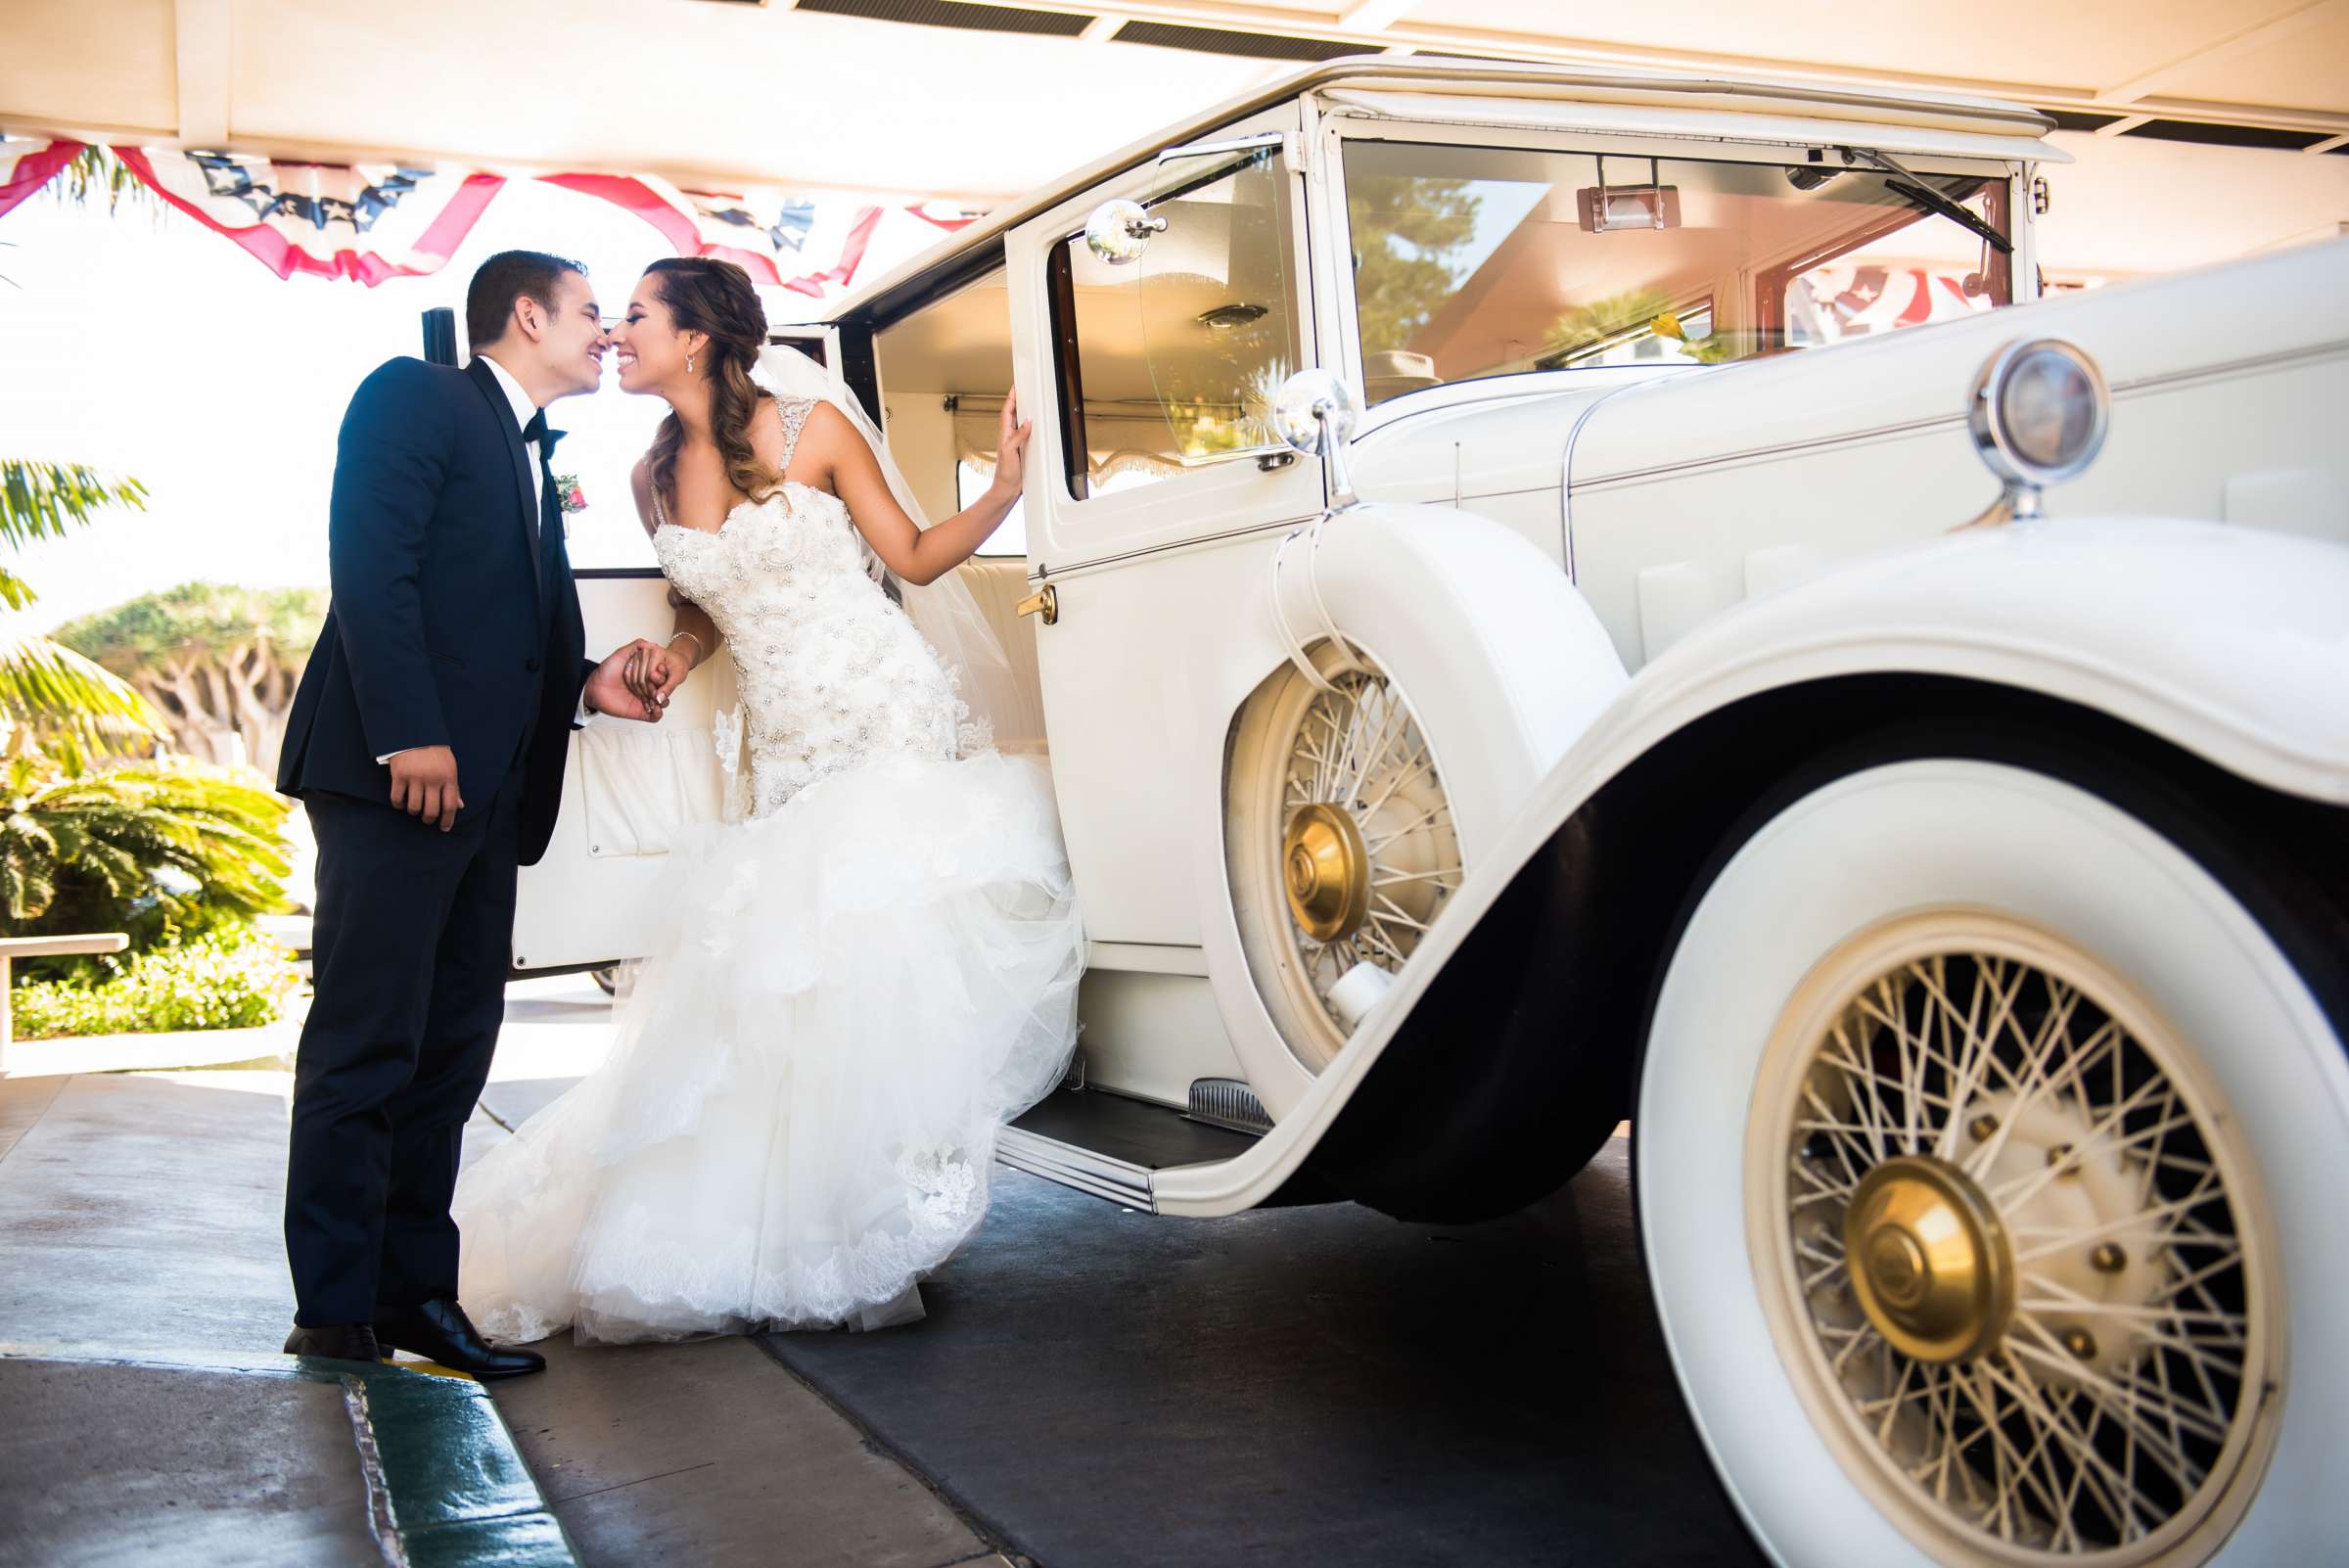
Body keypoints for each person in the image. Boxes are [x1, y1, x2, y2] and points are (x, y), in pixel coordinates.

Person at [450, 257, 1083, 1343]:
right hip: (787, 741)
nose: (616, 334)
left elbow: (917, 561)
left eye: (636, 316)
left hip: (882, 714)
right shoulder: (654, 474)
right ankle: (807, 1214)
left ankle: (880, 1204)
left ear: (695, 338)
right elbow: (708, 612)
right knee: (795, 976)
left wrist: (1005, 491)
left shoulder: (813, 430)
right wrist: (672, 657)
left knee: (880, 956)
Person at [276, 251, 669, 1375]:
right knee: (367, 1042)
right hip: (395, 774)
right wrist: (409, 731)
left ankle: (413, 1296)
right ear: (527, 312)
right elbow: (372, 564)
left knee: (450, 1051)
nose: (605, 332)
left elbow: (509, 626)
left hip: (486, 795)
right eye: (592, 312)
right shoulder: (416, 394)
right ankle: (337, 1309)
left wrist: (590, 681)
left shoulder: (526, 449)